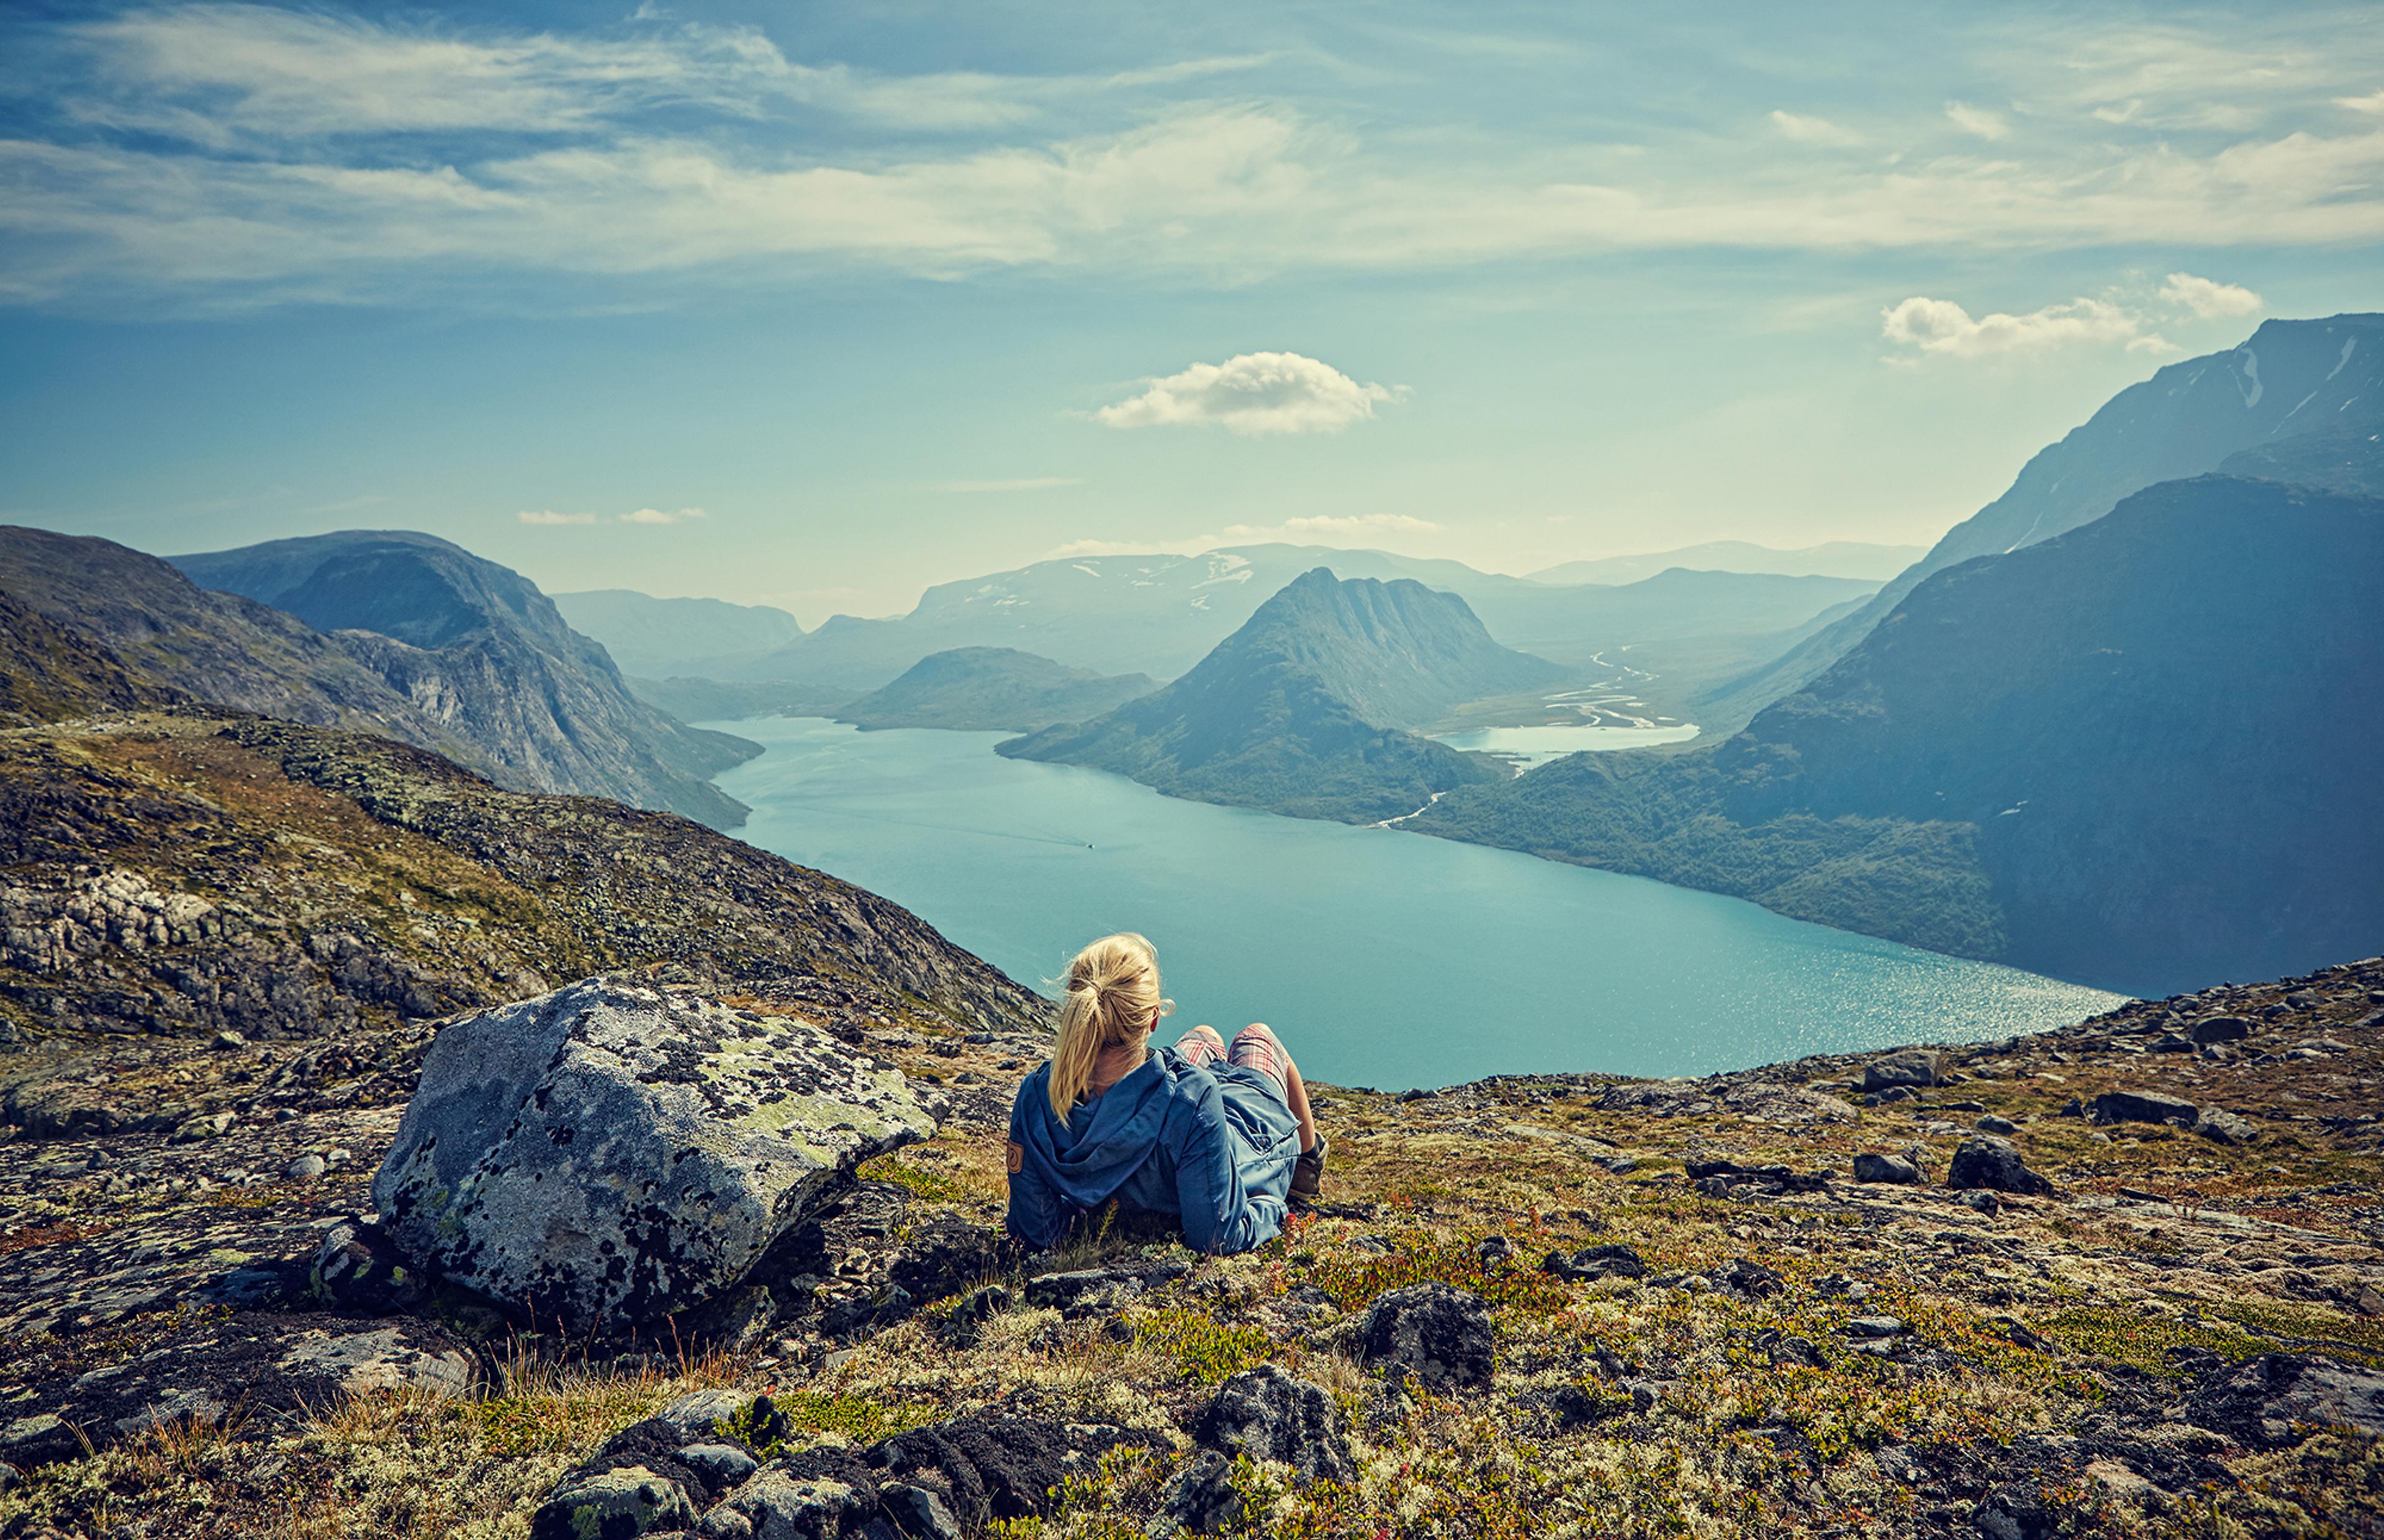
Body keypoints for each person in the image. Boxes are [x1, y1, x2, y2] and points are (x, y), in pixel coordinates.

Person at [1004, 932, 1327, 1254]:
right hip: (1239, 1144)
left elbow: (1037, 1231)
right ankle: (1307, 1166)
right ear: (1153, 1019)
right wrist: (1275, 1210)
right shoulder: (1191, 1101)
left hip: (1171, 1108)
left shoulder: (1036, 1094)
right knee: (1257, 1035)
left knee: (1204, 1036)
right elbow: (1217, 1236)